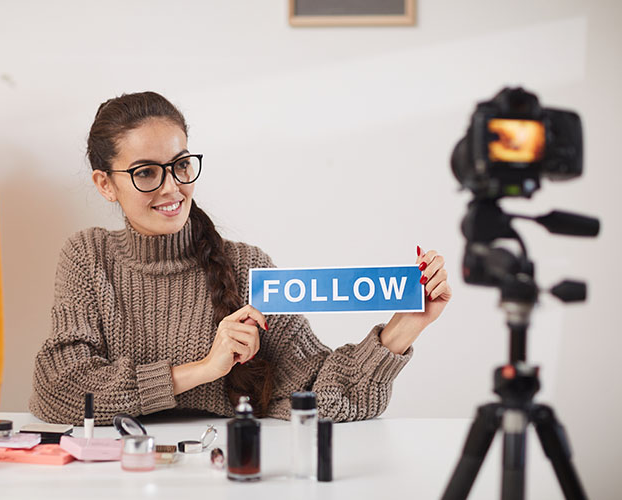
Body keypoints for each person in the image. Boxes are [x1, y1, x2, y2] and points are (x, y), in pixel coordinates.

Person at [29, 92, 452, 425]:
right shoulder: (88, 257)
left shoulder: (248, 267)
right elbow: (61, 390)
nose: (171, 187)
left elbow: (321, 393)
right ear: (105, 184)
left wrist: (403, 328)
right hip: (113, 478)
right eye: (146, 172)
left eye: (180, 165)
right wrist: (204, 369)